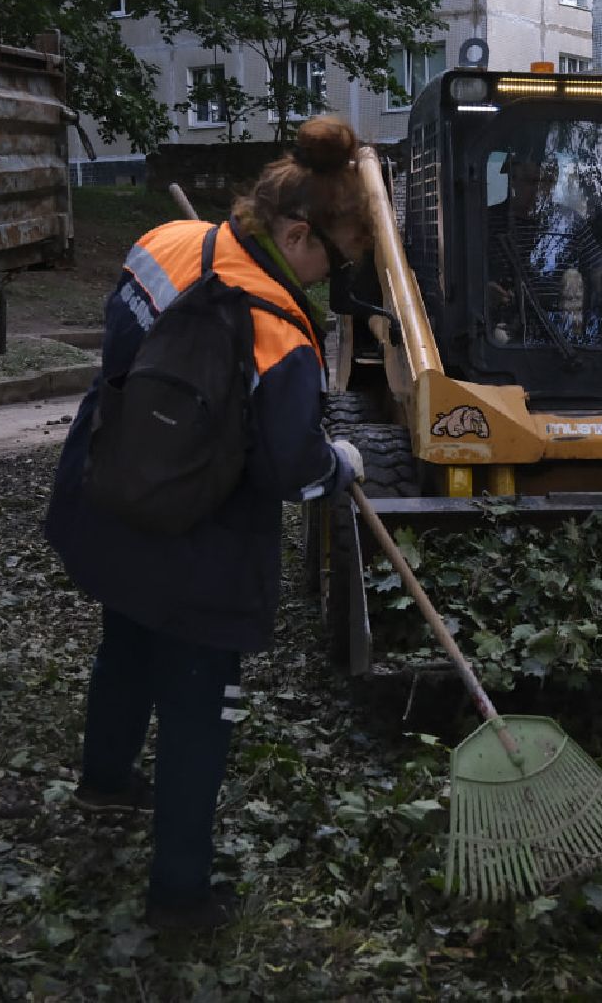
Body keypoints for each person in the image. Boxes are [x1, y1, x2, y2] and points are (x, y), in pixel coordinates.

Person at [44, 116, 371, 930]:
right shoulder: (278, 333)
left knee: (125, 644)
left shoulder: (166, 243)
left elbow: (121, 353)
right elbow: (292, 471)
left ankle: (105, 784)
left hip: (112, 493)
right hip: (200, 547)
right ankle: (180, 893)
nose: (330, 282)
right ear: (295, 234)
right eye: (334, 263)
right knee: (198, 709)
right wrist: (341, 465)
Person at [484, 154, 602, 345]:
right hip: (504, 338)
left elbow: (601, 272)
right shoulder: (488, 223)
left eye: (545, 181)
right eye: (530, 181)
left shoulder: (570, 223)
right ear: (513, 180)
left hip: (561, 338)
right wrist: (486, 291)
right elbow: (468, 278)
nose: (538, 189)